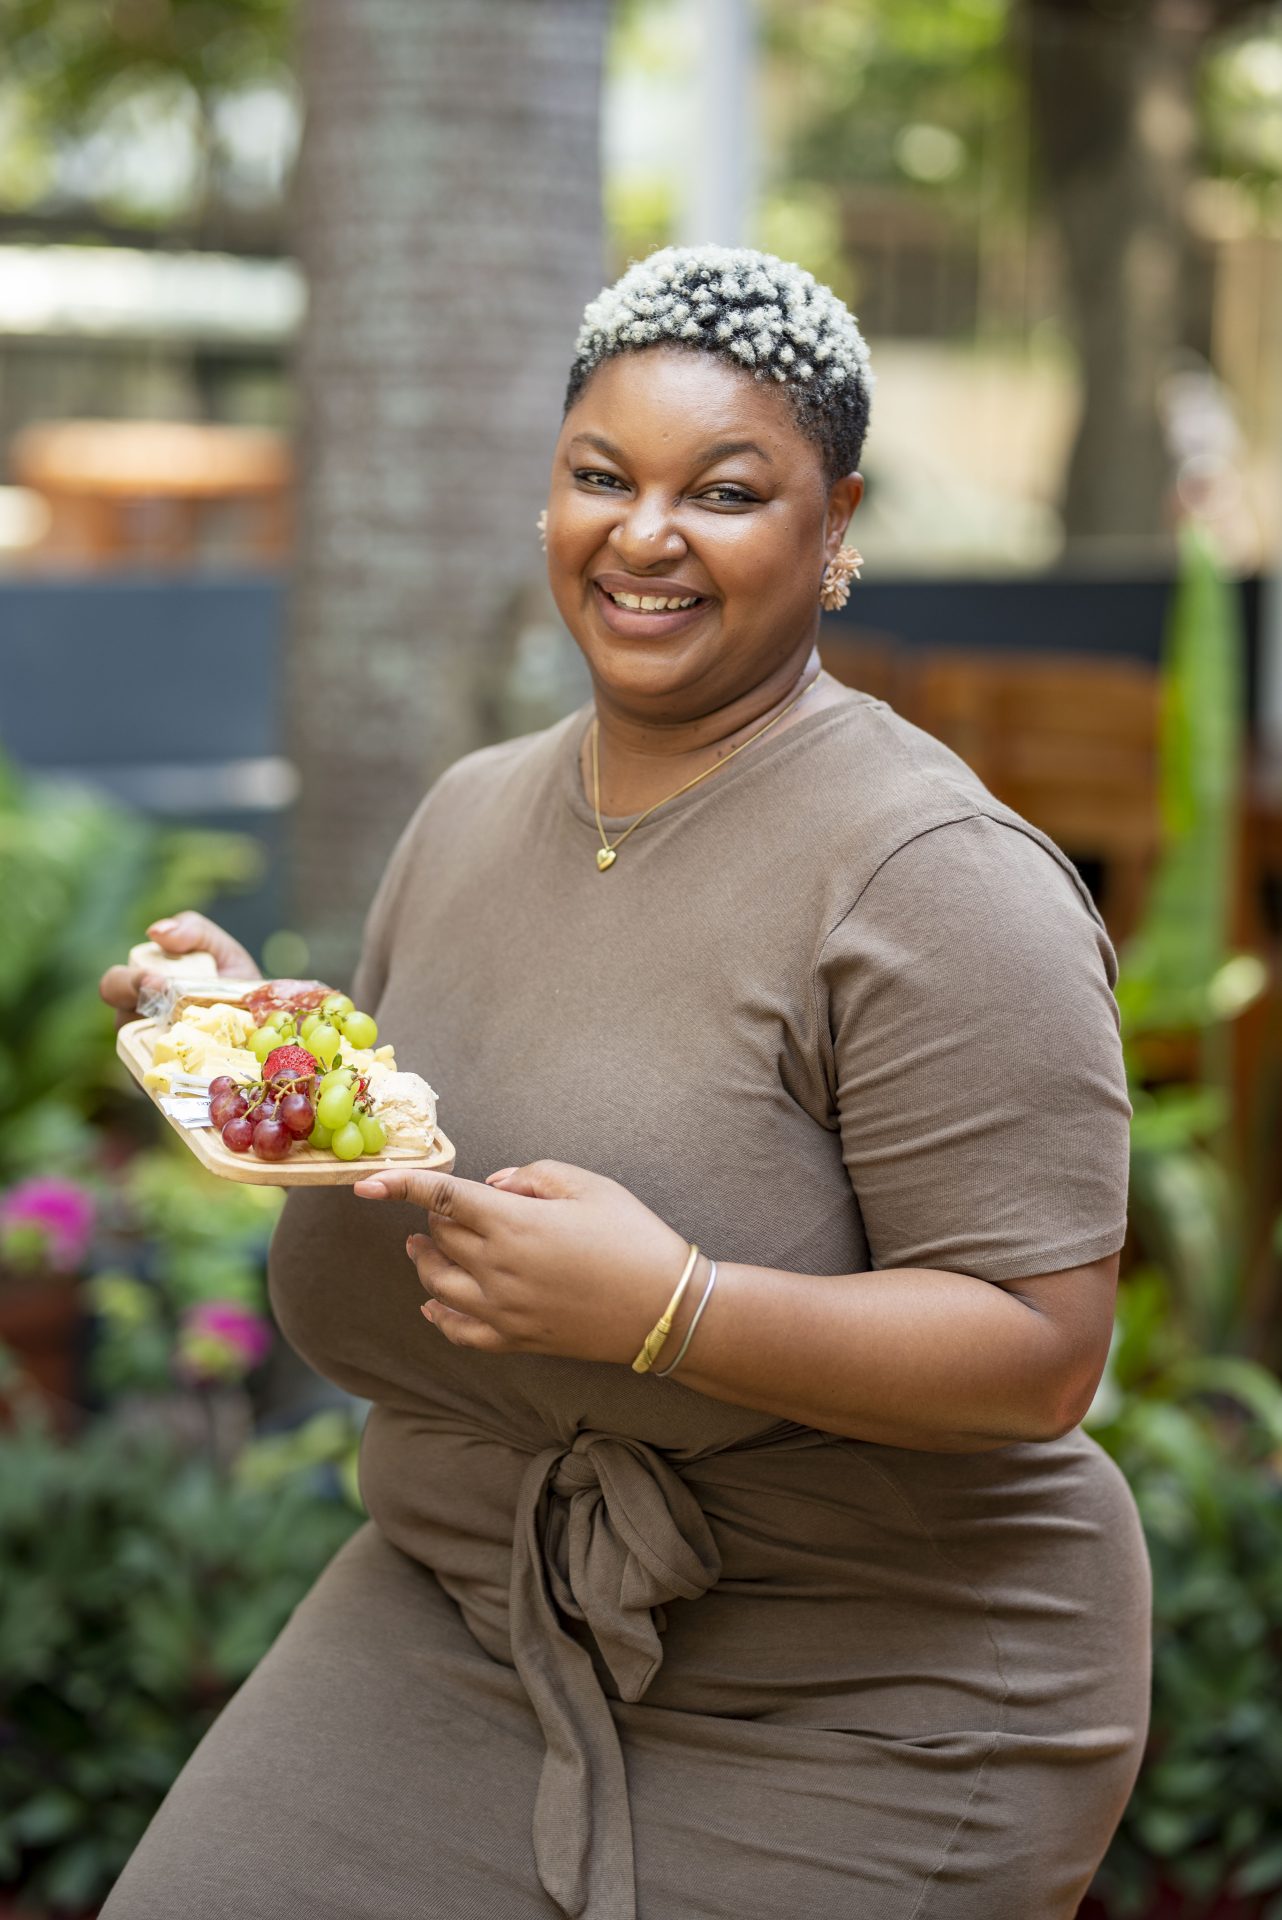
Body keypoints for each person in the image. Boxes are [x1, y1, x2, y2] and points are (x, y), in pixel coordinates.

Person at [99, 246, 1150, 1920]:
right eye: (602, 477)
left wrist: (671, 1311)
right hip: (462, 1603)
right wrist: (260, 1046)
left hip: (862, 1672)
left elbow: (1041, 1351)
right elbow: (419, 1140)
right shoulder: (469, 813)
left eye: (721, 493)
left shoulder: (934, 875)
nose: (643, 534)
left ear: (834, 525)